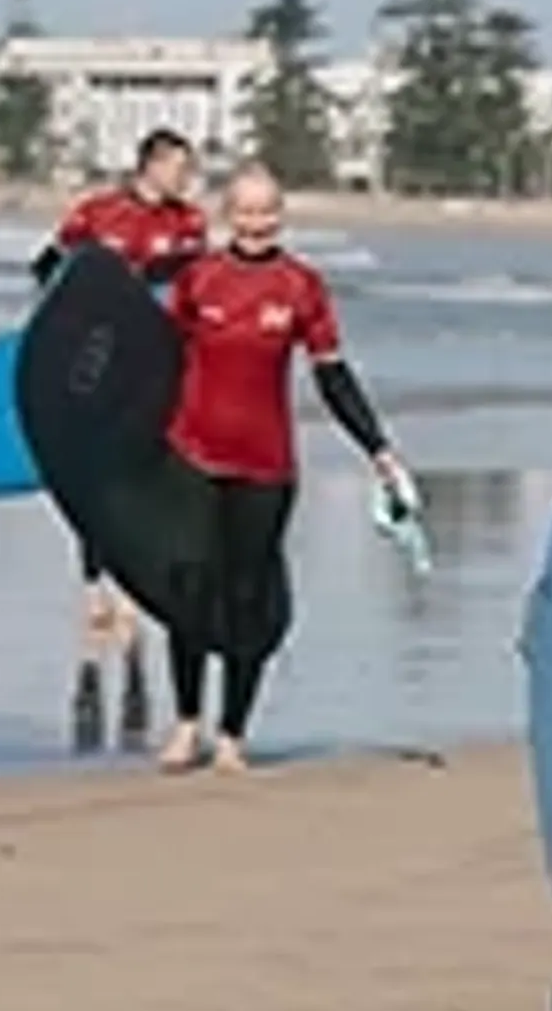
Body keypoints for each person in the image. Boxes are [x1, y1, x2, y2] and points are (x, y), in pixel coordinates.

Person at [146, 163, 406, 775]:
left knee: (245, 598)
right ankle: (187, 724)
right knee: (188, 591)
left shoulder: (300, 287)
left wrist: (378, 447)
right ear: (226, 214)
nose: (257, 224)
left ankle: (233, 734)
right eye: (245, 211)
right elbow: (155, 362)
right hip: (193, 456)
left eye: (267, 212)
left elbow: (332, 375)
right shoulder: (198, 280)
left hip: (265, 466)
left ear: (280, 215)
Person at [38, 131, 212, 751]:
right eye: (179, 169)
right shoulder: (97, 215)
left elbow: (200, 289)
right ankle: (95, 590)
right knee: (91, 475)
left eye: (189, 171)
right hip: (94, 362)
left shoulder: (189, 223)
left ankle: (133, 587)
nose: (186, 180)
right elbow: (48, 270)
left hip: (154, 363)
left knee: (140, 472)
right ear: (151, 165)